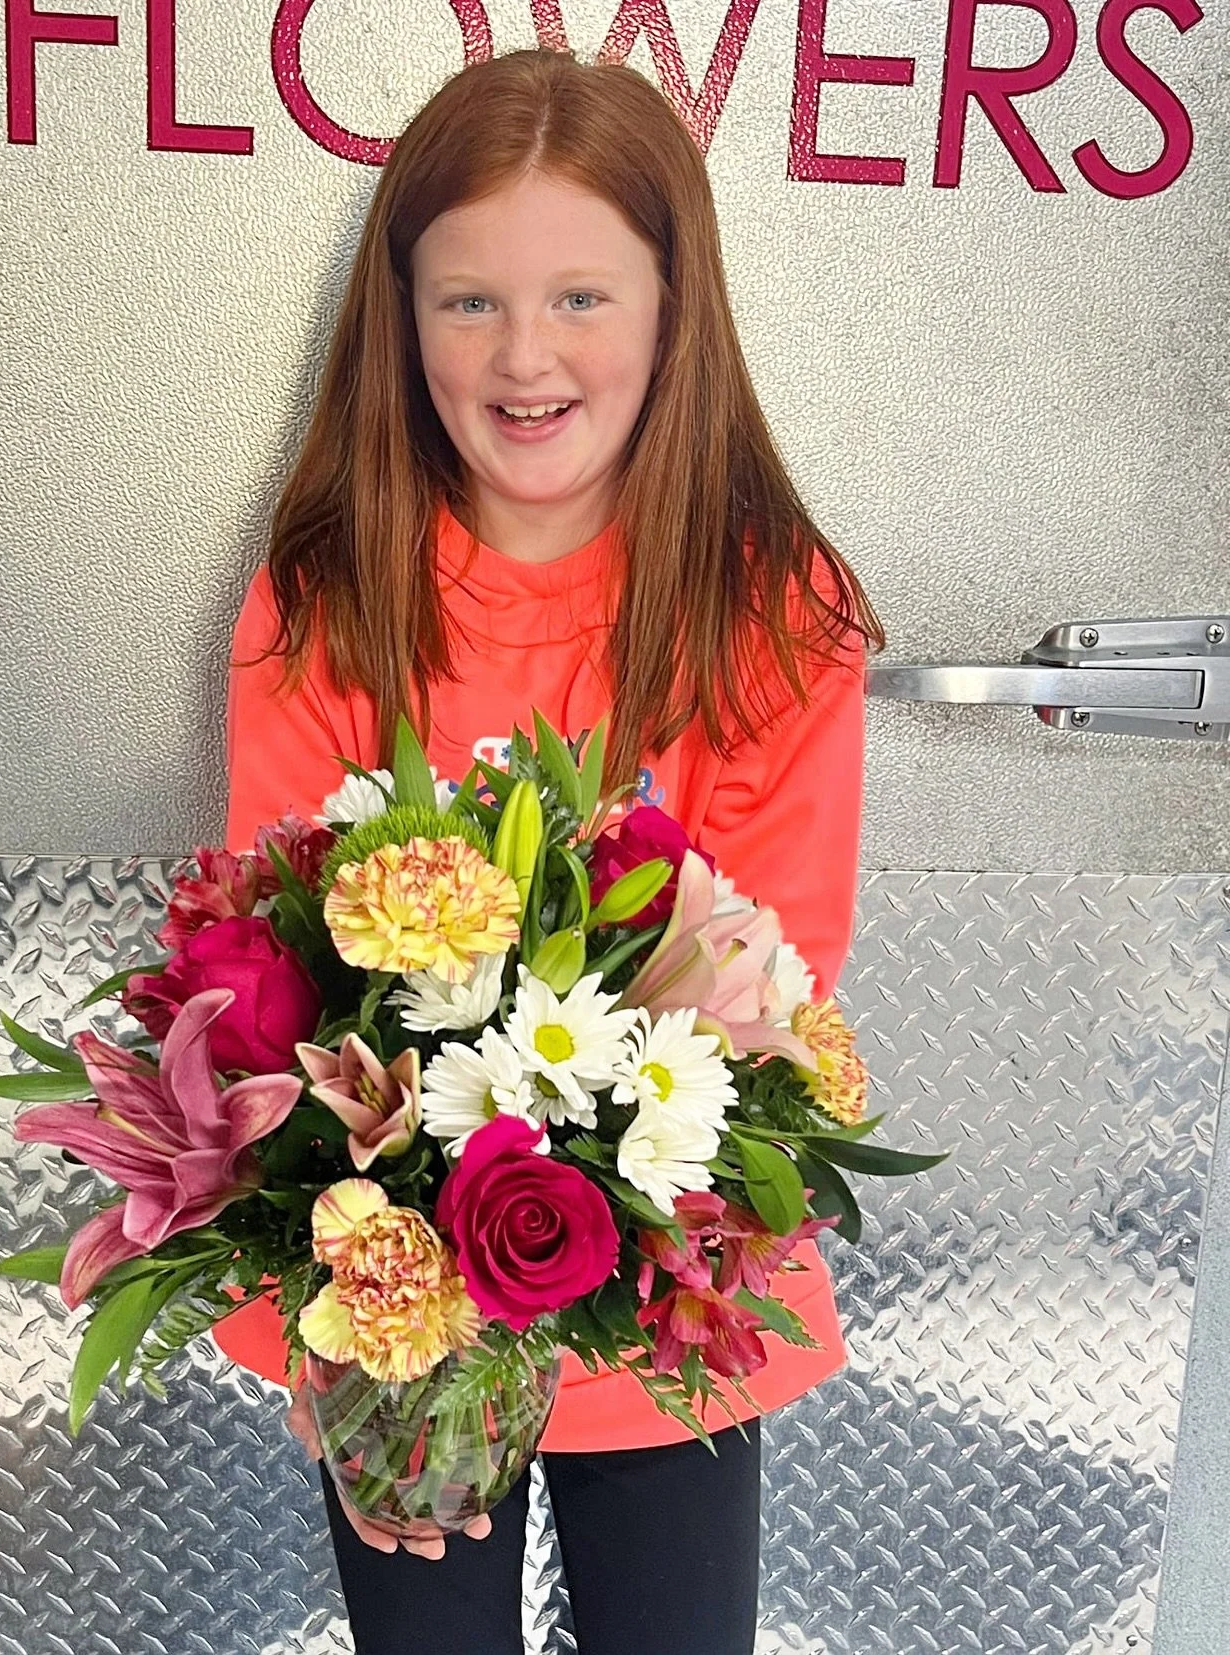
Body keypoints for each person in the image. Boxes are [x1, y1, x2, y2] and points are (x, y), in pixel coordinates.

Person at [215, 45, 883, 1655]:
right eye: (470, 303)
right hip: (392, 1290)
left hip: (668, 1277)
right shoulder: (324, 605)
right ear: (403, 321)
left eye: (583, 297)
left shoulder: (774, 612)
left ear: (673, 309)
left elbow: (766, 977)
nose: (526, 355)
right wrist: (351, 1304)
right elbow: (274, 984)